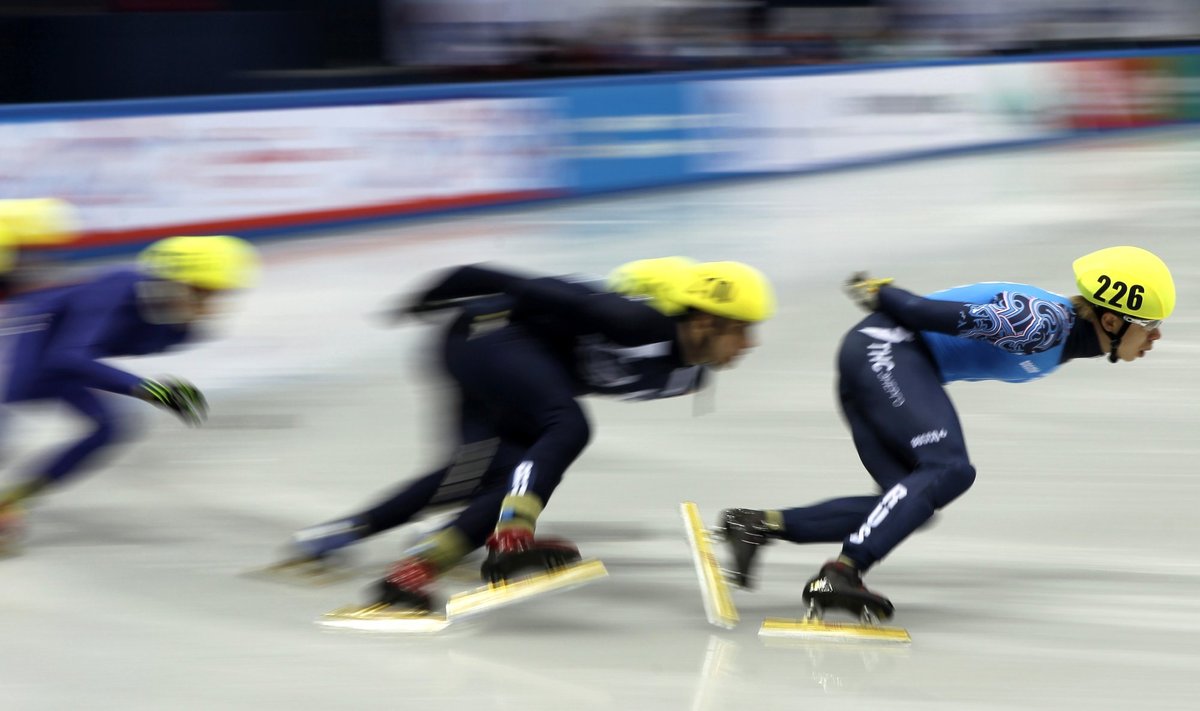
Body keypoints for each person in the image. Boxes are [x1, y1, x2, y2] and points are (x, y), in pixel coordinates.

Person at [288, 257, 774, 611]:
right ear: (705, 320)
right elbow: (505, 281)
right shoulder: (630, 320)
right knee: (568, 425)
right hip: (484, 333)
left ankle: (403, 563)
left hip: (523, 364)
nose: (750, 345)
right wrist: (425, 297)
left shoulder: (684, 378)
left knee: (486, 477)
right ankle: (510, 538)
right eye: (742, 329)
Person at [718, 246, 1175, 620]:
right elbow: (924, 313)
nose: (1155, 339)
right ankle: (842, 571)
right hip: (888, 350)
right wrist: (881, 292)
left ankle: (757, 525)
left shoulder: (1061, 333)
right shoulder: (1045, 324)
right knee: (949, 468)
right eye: (1150, 326)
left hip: (879, 358)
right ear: (1112, 320)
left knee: (907, 502)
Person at [0, 235, 260, 548]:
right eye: (202, 293)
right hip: (24, 335)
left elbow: (74, 359)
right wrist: (150, 390)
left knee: (112, 426)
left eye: (216, 296)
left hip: (53, 356)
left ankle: (13, 501)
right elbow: (68, 355)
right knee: (8, 421)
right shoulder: (118, 289)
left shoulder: (180, 330)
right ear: (170, 283)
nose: (209, 308)